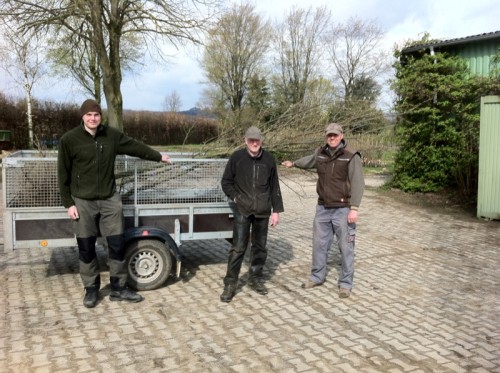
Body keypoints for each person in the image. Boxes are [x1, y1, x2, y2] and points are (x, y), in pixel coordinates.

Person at [58, 99, 171, 308]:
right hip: (82, 201)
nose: (93, 118)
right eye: (89, 115)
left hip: (110, 199)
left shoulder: (111, 136)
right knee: (86, 247)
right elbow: (62, 174)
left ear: (101, 117)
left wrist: (158, 157)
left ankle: (118, 288)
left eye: (96, 115)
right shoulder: (69, 140)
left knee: (117, 245)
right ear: (82, 117)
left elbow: (134, 146)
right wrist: (68, 203)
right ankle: (91, 289)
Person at [281, 123, 364, 298]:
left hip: (343, 208)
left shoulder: (351, 155)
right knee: (319, 245)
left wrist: (354, 208)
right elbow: (310, 160)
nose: (332, 138)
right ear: (326, 136)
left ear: (341, 135)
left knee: (346, 247)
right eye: (329, 135)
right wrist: (294, 163)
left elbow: (358, 183)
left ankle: (345, 284)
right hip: (323, 208)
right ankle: (317, 276)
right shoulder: (321, 153)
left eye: (335, 135)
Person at [220, 126, 284, 303]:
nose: (254, 143)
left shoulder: (269, 159)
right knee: (238, 247)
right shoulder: (237, 158)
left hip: (263, 211)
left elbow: (274, 187)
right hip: (243, 210)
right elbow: (226, 182)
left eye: (257, 140)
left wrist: (276, 211)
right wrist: (236, 197)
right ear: (245, 140)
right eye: (251, 140)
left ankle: (255, 279)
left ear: (261, 141)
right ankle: (230, 284)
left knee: (260, 247)